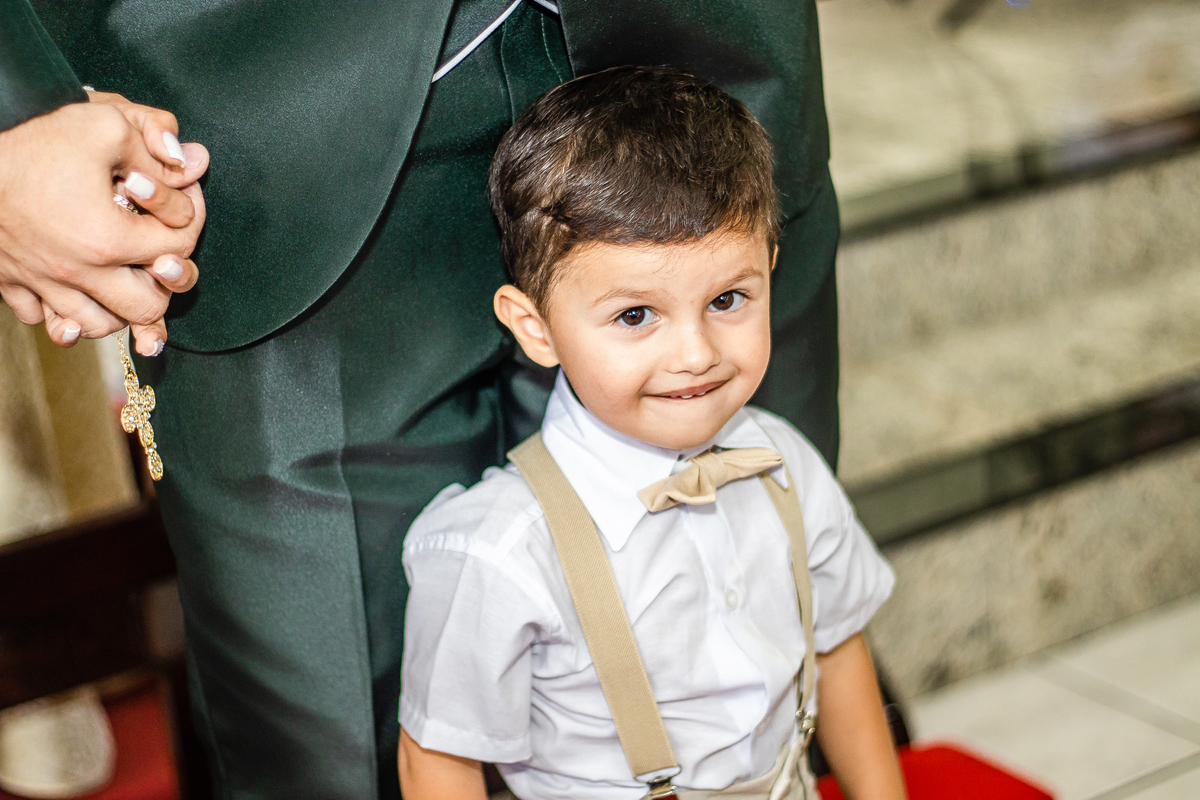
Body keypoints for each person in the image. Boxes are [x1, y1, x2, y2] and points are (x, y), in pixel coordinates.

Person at [1, 2, 844, 797]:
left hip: (706, 67)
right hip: (263, 125)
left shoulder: (715, 340)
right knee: (339, 759)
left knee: (750, 659)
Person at [397, 67, 903, 800]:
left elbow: (838, 651)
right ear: (535, 327)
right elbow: (438, 760)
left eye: (728, 299)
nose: (696, 354)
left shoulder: (783, 463)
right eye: (636, 316)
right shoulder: (500, 552)